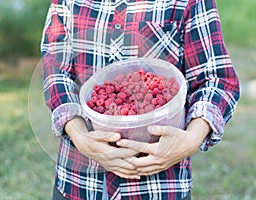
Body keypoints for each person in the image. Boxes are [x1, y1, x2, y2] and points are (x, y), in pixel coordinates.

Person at [41, 0, 240, 199]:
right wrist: (79, 135)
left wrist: (191, 139)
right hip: (79, 182)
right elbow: (56, 72)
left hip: (159, 187)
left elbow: (216, 79)